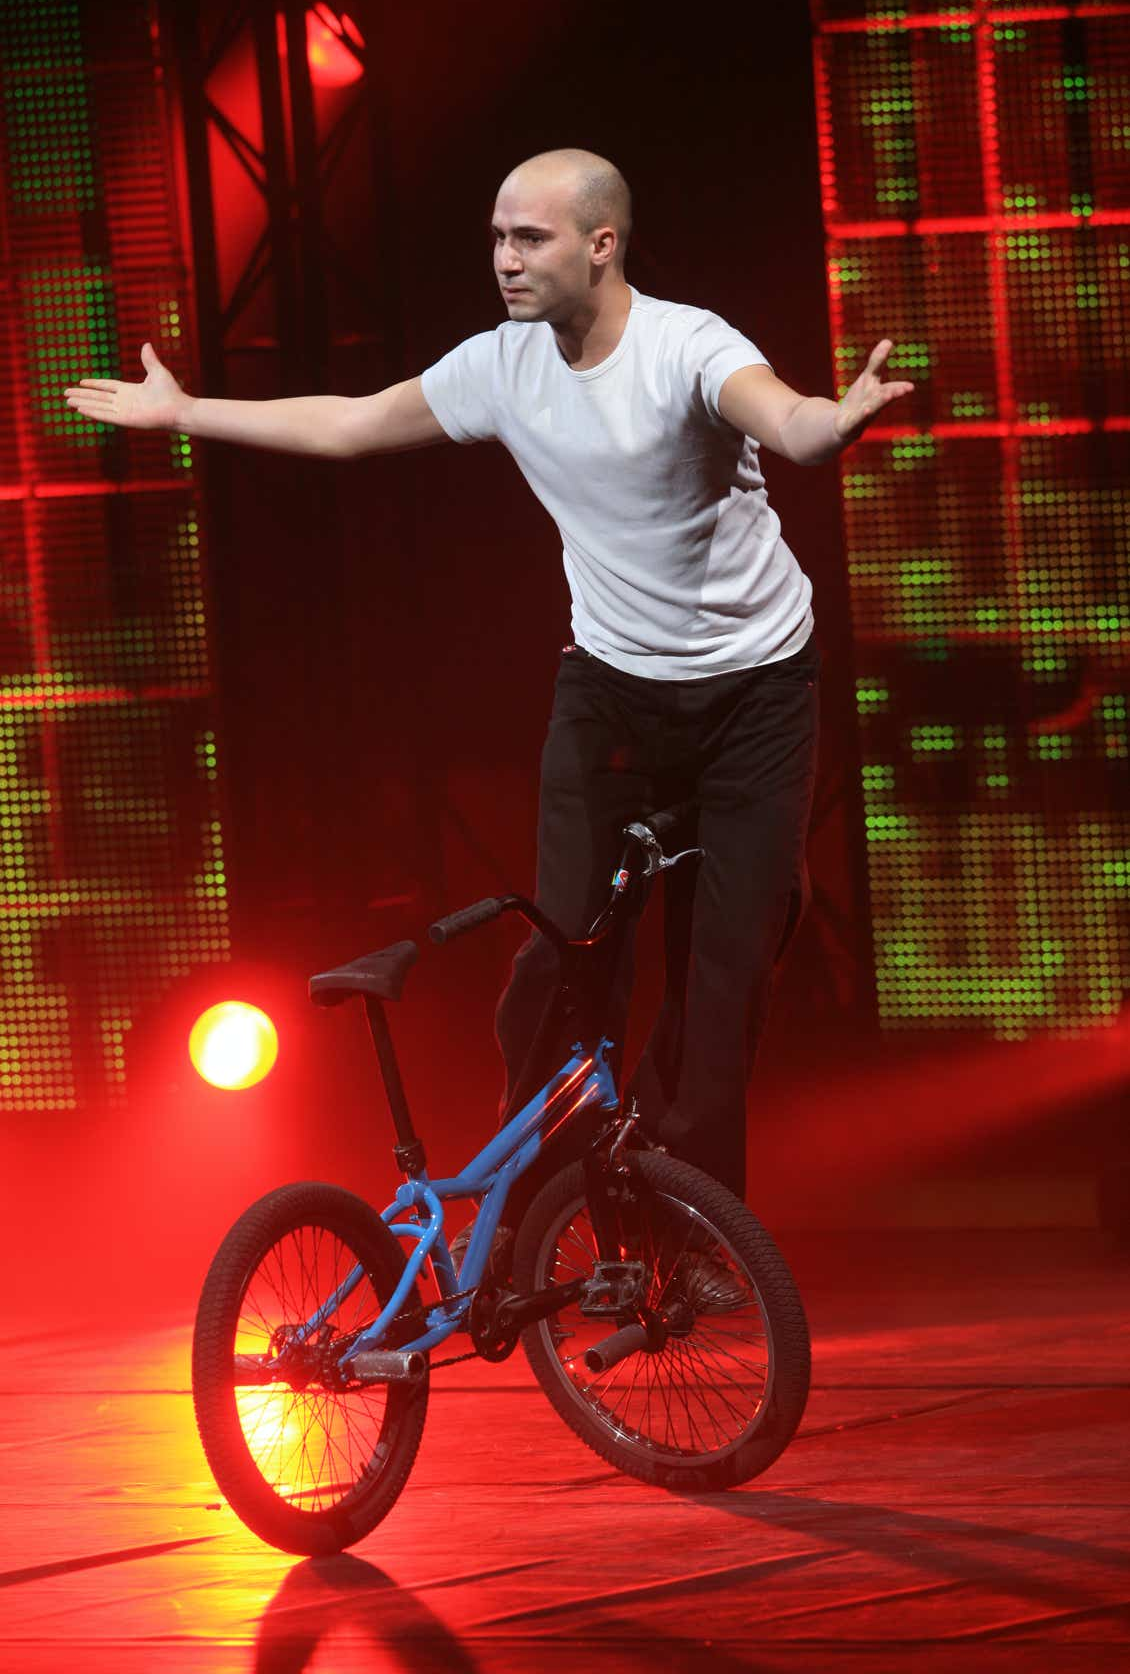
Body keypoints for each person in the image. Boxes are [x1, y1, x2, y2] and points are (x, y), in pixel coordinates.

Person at [64, 147, 913, 1201]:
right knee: (561, 958)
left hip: (755, 696)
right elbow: (355, 423)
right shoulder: (500, 364)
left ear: (600, 245)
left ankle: (681, 1220)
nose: (503, 260)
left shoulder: (683, 345)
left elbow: (782, 416)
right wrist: (185, 413)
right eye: (496, 239)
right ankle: (540, 1206)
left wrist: (833, 422)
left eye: (529, 239)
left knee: (722, 973)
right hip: (612, 690)